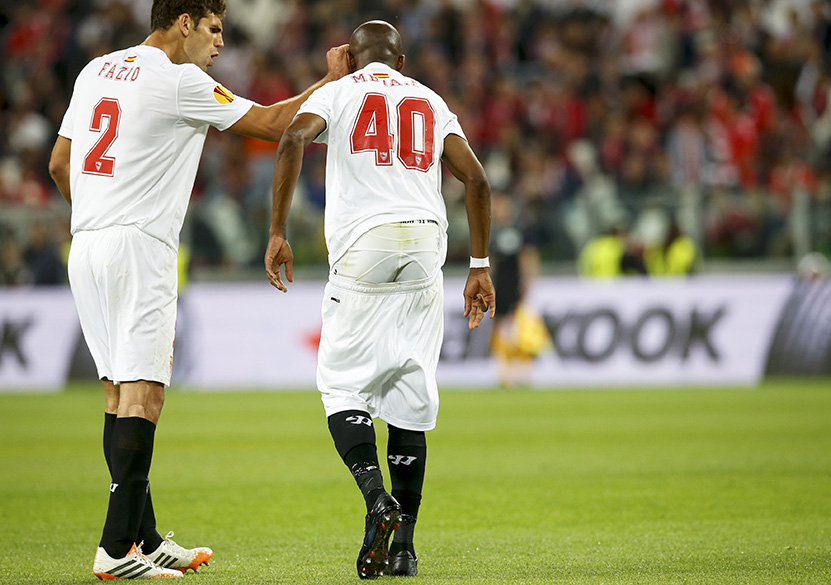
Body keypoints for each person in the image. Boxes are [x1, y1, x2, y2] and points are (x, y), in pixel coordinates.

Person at [47, 0, 348, 579]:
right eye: (213, 29)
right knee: (145, 397)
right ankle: (115, 552)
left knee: (117, 395)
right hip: (140, 246)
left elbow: (61, 163)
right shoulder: (180, 80)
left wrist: (97, 216)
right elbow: (271, 124)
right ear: (183, 22)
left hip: (86, 243)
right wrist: (330, 83)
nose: (220, 44)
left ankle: (146, 538)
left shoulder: (96, 70)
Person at [264, 20, 495, 580]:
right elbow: (477, 179)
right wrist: (480, 265)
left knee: (343, 386)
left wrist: (277, 231)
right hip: (425, 244)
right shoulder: (429, 99)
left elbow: (292, 137)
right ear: (402, 60)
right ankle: (405, 550)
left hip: (364, 245)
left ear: (349, 55)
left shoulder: (340, 93)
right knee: (410, 397)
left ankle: (376, 497)